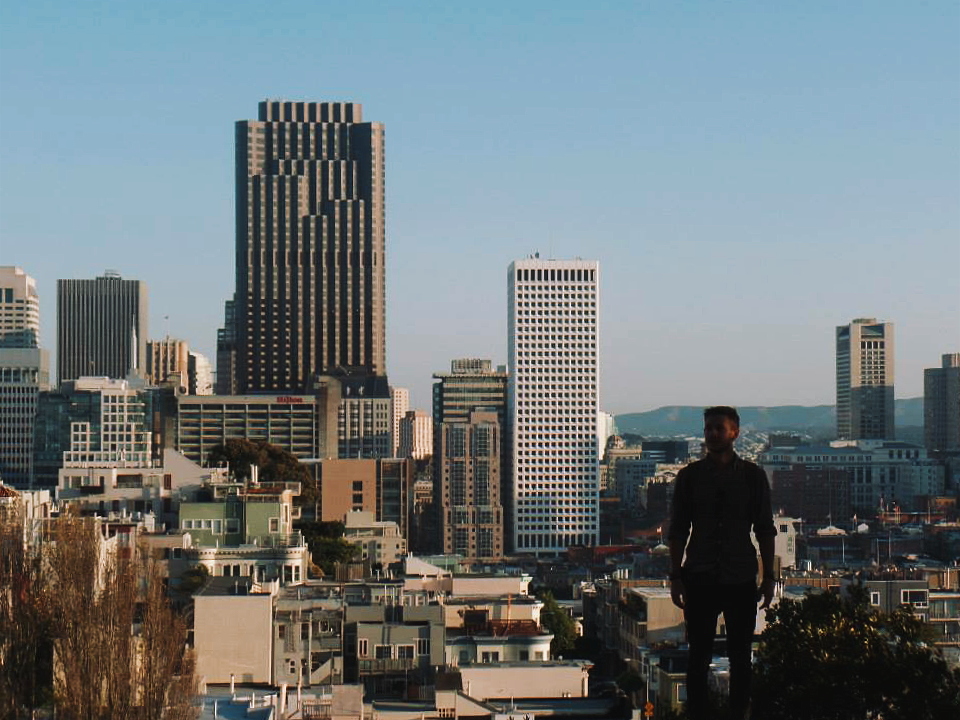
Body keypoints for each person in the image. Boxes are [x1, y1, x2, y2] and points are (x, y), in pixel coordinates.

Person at [668, 406, 777, 720]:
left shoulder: (753, 477)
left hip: (739, 576)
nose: (712, 434)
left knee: (741, 655)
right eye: (708, 429)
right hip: (700, 576)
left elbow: (765, 528)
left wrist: (768, 577)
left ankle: (739, 712)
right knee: (697, 656)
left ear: (735, 433)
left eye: (719, 428)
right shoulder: (689, 477)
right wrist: (675, 575)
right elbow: (677, 530)